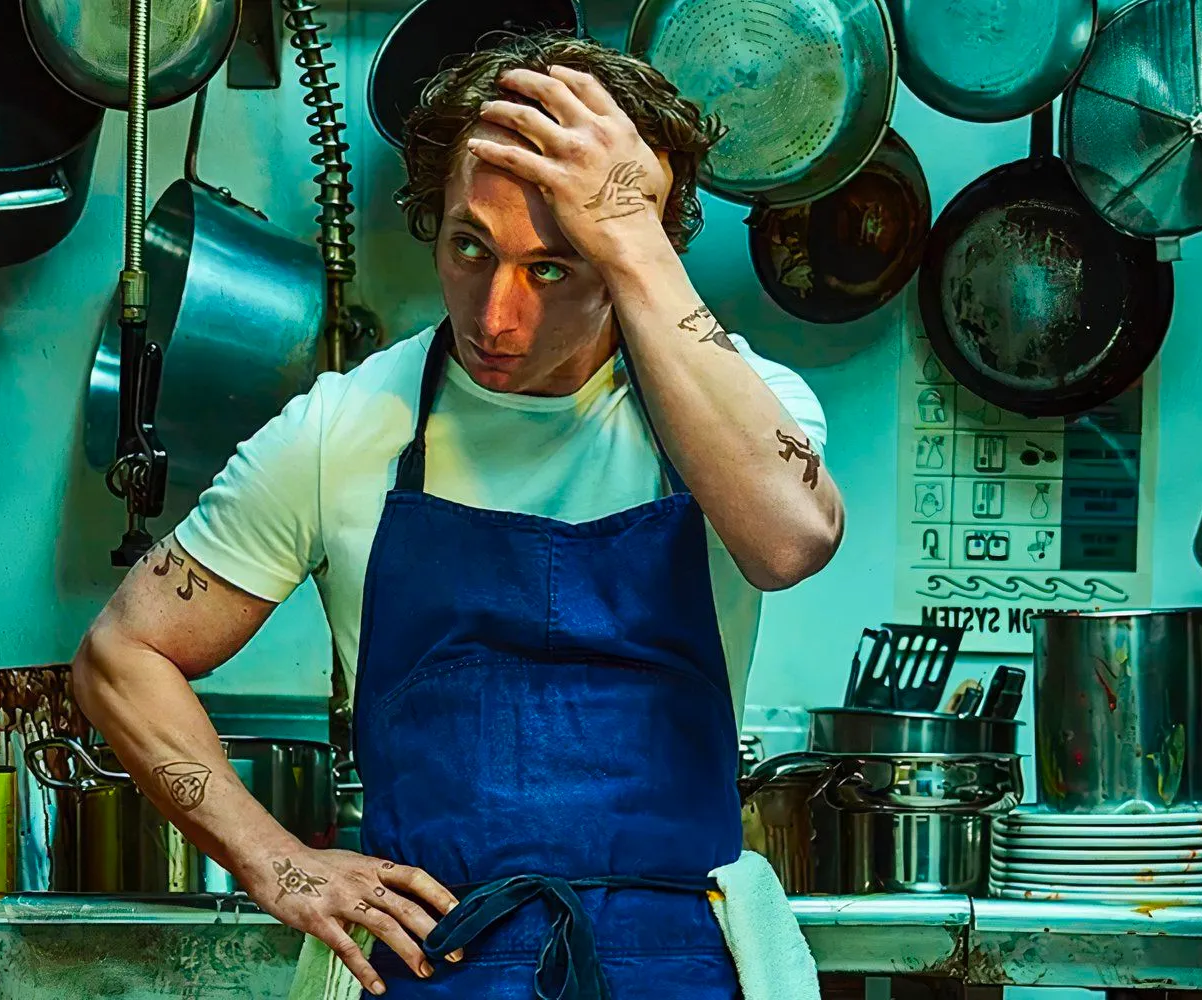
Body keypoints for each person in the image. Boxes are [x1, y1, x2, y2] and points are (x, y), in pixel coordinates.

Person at [71, 33, 844, 999]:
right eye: (469, 248)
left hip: (671, 962)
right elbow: (121, 659)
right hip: (426, 962)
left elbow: (790, 539)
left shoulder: (740, 412)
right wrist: (280, 862)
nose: (496, 315)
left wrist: (636, 234)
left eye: (553, 268)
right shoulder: (344, 429)